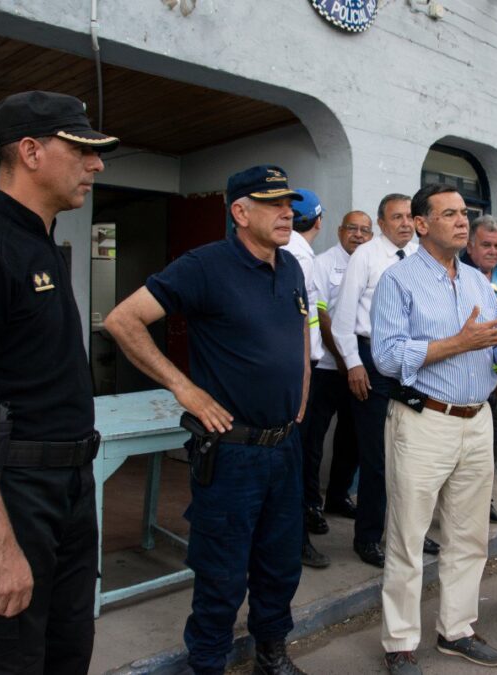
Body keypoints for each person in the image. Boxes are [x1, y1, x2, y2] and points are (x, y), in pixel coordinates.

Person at [0, 90, 118, 673]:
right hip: (13, 493)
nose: (96, 164)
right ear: (31, 151)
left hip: (67, 488)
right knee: (2, 658)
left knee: (65, 655)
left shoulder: (41, 243)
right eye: (82, 149)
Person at [104, 165, 310, 675]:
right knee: (221, 574)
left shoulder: (292, 267)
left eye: (290, 202)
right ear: (240, 212)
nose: (288, 212)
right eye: (273, 203)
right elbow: (122, 320)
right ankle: (209, 664)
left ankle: (272, 652)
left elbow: (300, 335)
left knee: (280, 565)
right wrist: (185, 389)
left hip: (285, 447)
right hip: (232, 453)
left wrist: (300, 395)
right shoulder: (204, 266)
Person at [371, 184, 497, 674]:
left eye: (464, 213)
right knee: (407, 536)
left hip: (477, 420)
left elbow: (489, 354)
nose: (462, 221)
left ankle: (457, 630)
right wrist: (455, 342)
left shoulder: (477, 283)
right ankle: (400, 643)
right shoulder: (398, 281)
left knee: (468, 537)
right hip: (424, 421)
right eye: (449, 214)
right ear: (421, 224)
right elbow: (386, 356)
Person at [331, 193, 438, 567]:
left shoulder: (418, 259)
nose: (406, 223)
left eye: (410, 216)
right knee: (377, 457)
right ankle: (369, 538)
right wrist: (353, 364)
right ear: (381, 222)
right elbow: (343, 318)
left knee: (413, 451)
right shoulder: (366, 257)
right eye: (397, 217)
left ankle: (411, 533)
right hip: (372, 362)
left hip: (411, 365)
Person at [309, 211, 374, 523]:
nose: (358, 235)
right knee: (314, 438)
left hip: (357, 368)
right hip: (326, 367)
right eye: (352, 229)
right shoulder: (322, 264)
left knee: (352, 437)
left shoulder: (374, 265)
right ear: (339, 231)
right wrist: (346, 361)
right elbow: (322, 318)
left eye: (365, 230)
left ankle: (338, 496)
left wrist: (353, 363)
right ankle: (310, 505)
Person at [282, 188, 330, 569]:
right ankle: (296, 543)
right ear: (318, 221)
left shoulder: (292, 251)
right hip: (300, 373)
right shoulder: (299, 255)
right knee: (295, 463)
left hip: (296, 369)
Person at [461, 215, 497, 523]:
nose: (493, 251)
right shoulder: (460, 274)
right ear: (470, 246)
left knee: (488, 450)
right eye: (486, 245)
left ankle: (482, 504)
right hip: (468, 377)